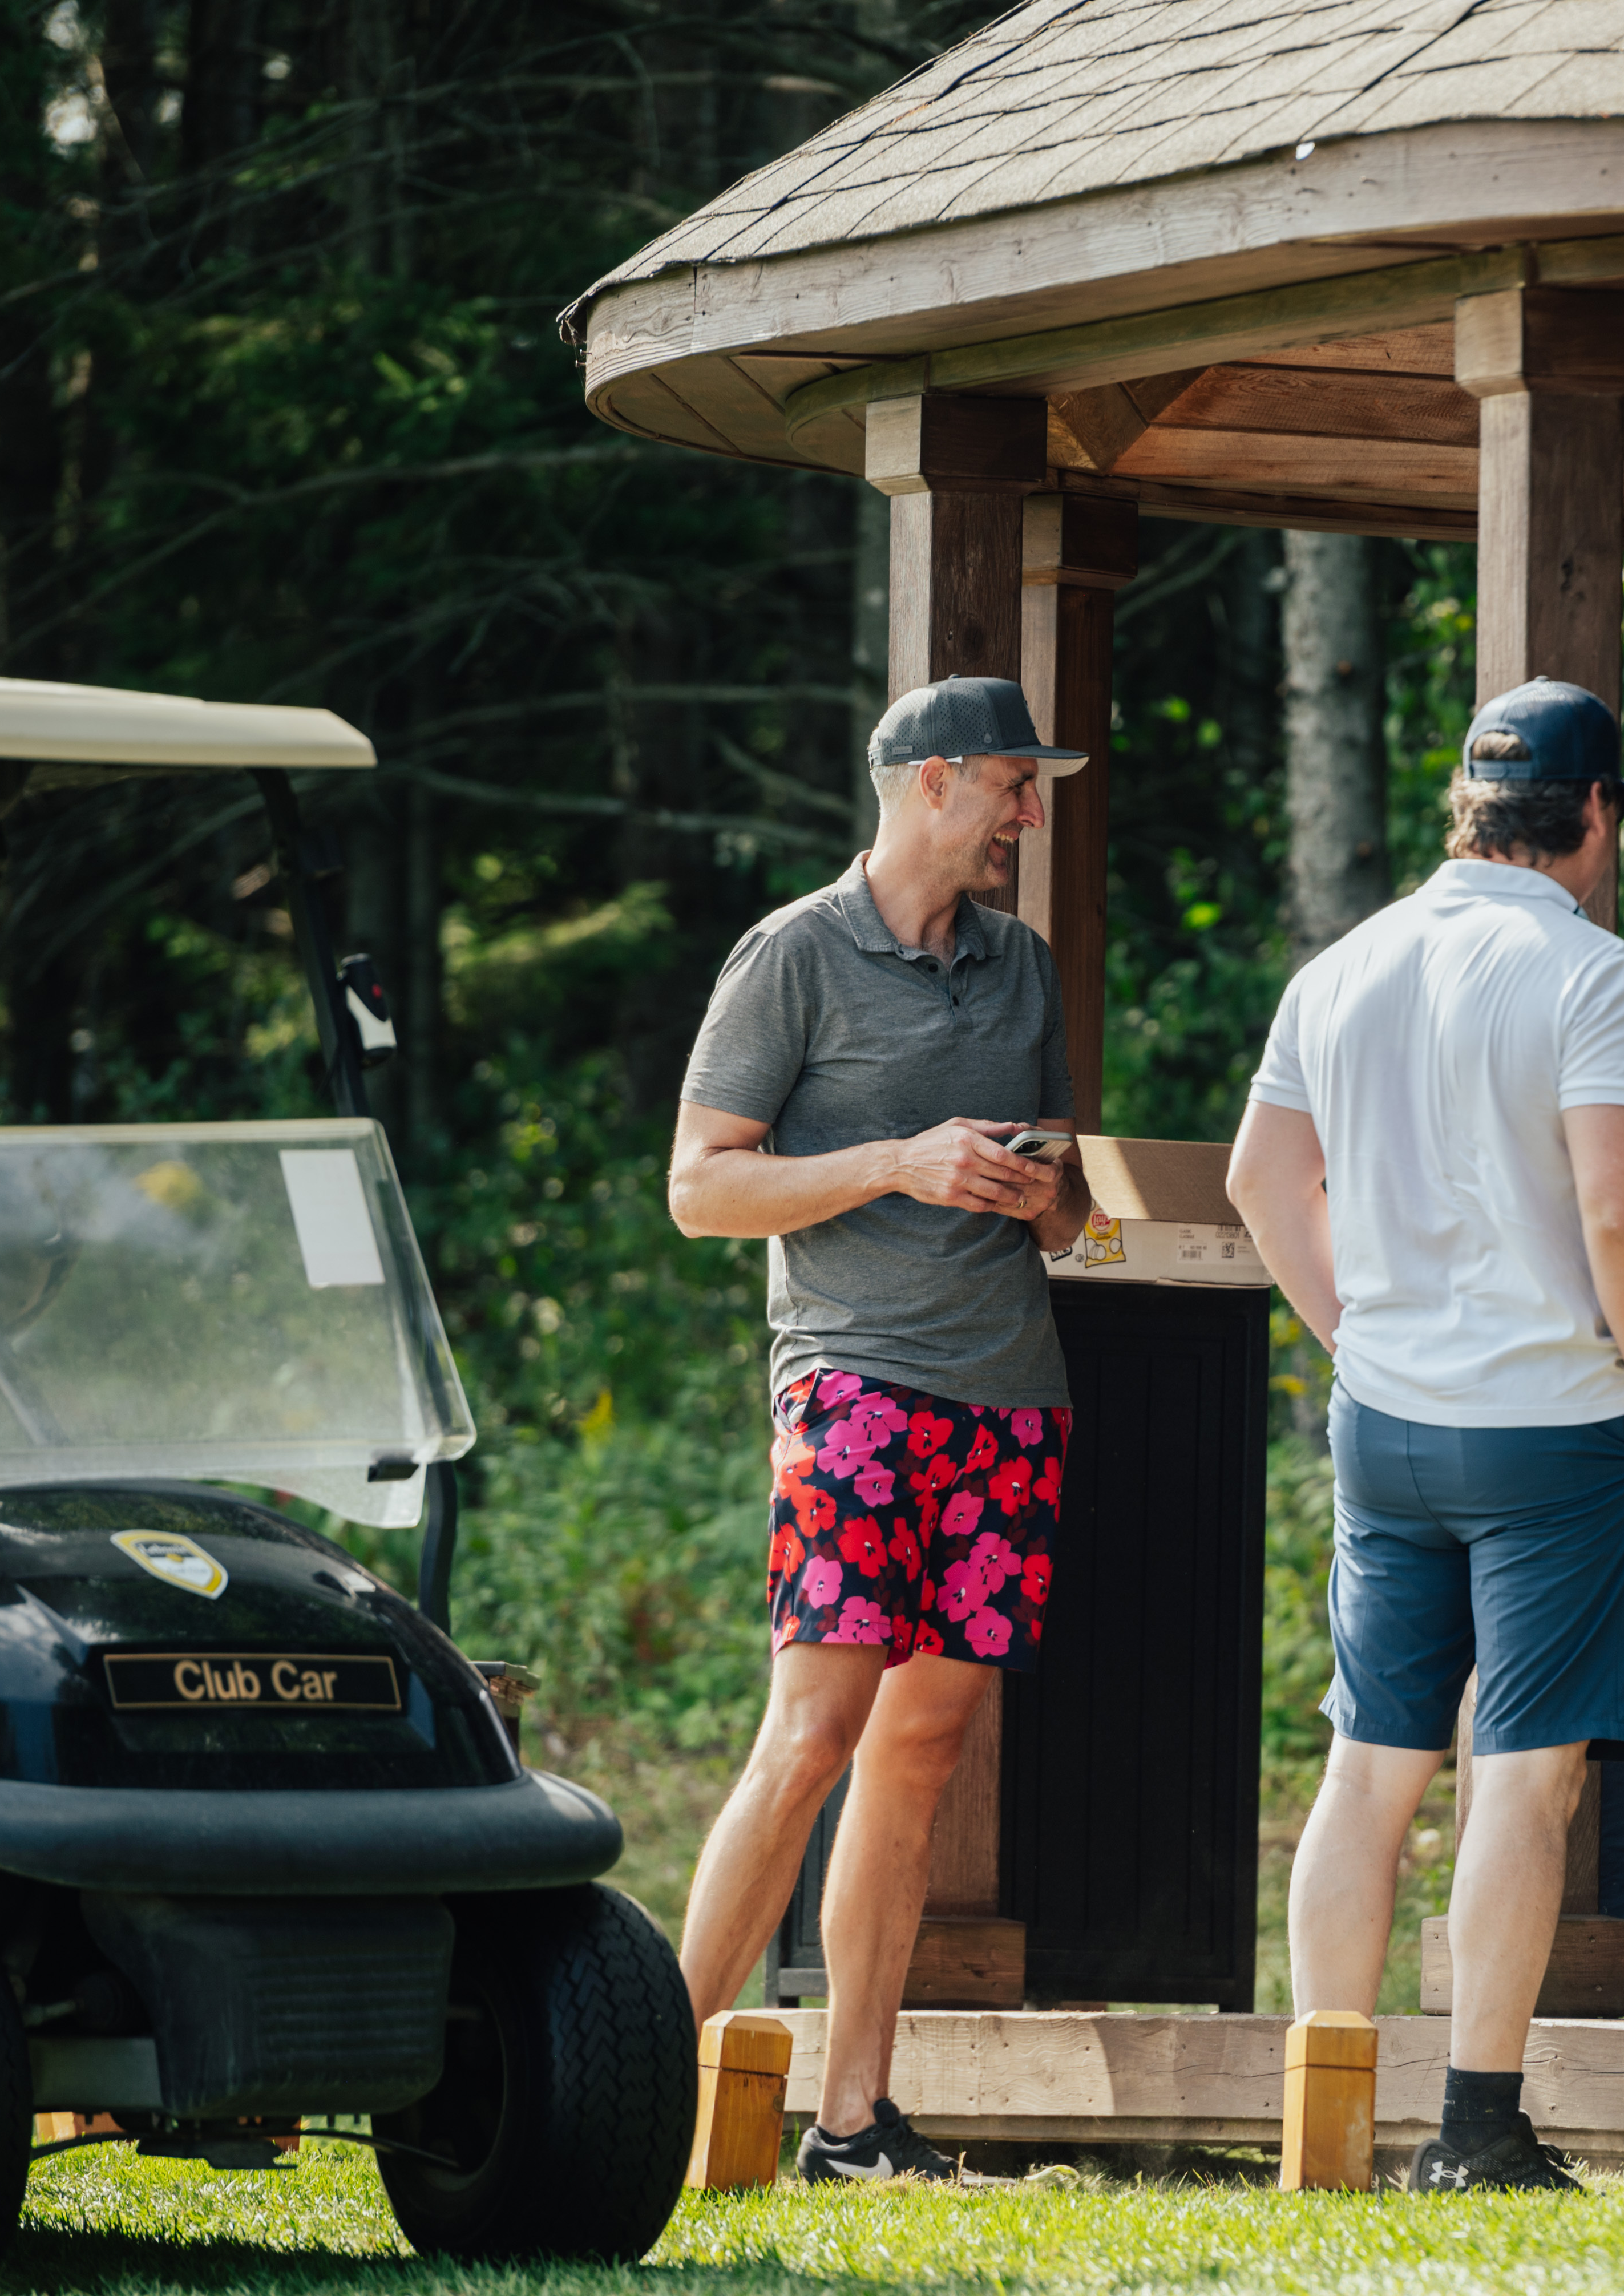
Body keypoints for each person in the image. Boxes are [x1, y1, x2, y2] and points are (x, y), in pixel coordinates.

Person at [1228, 676, 1624, 2196]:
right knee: (1525, 1773)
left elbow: (1258, 1179)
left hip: (1388, 1423)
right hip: (1554, 1425)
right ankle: (1478, 2128)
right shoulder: (1593, 972)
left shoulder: (1342, 963)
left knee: (1369, 1767)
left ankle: (1324, 2123)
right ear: (1598, 813)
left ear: (1468, 809)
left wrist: (1350, 1333)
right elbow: (1621, 1204)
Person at [663, 674, 1094, 2184]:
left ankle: (853, 2120)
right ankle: (637, 2079)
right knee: (811, 1739)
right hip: (854, 1387)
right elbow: (700, 1188)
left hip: (1010, 1398)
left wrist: (1046, 1195)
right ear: (932, 783)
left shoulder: (1023, 966)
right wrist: (897, 1161)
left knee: (919, 1750)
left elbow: (1072, 1209)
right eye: (1013, 786)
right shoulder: (793, 953)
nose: (1028, 815)